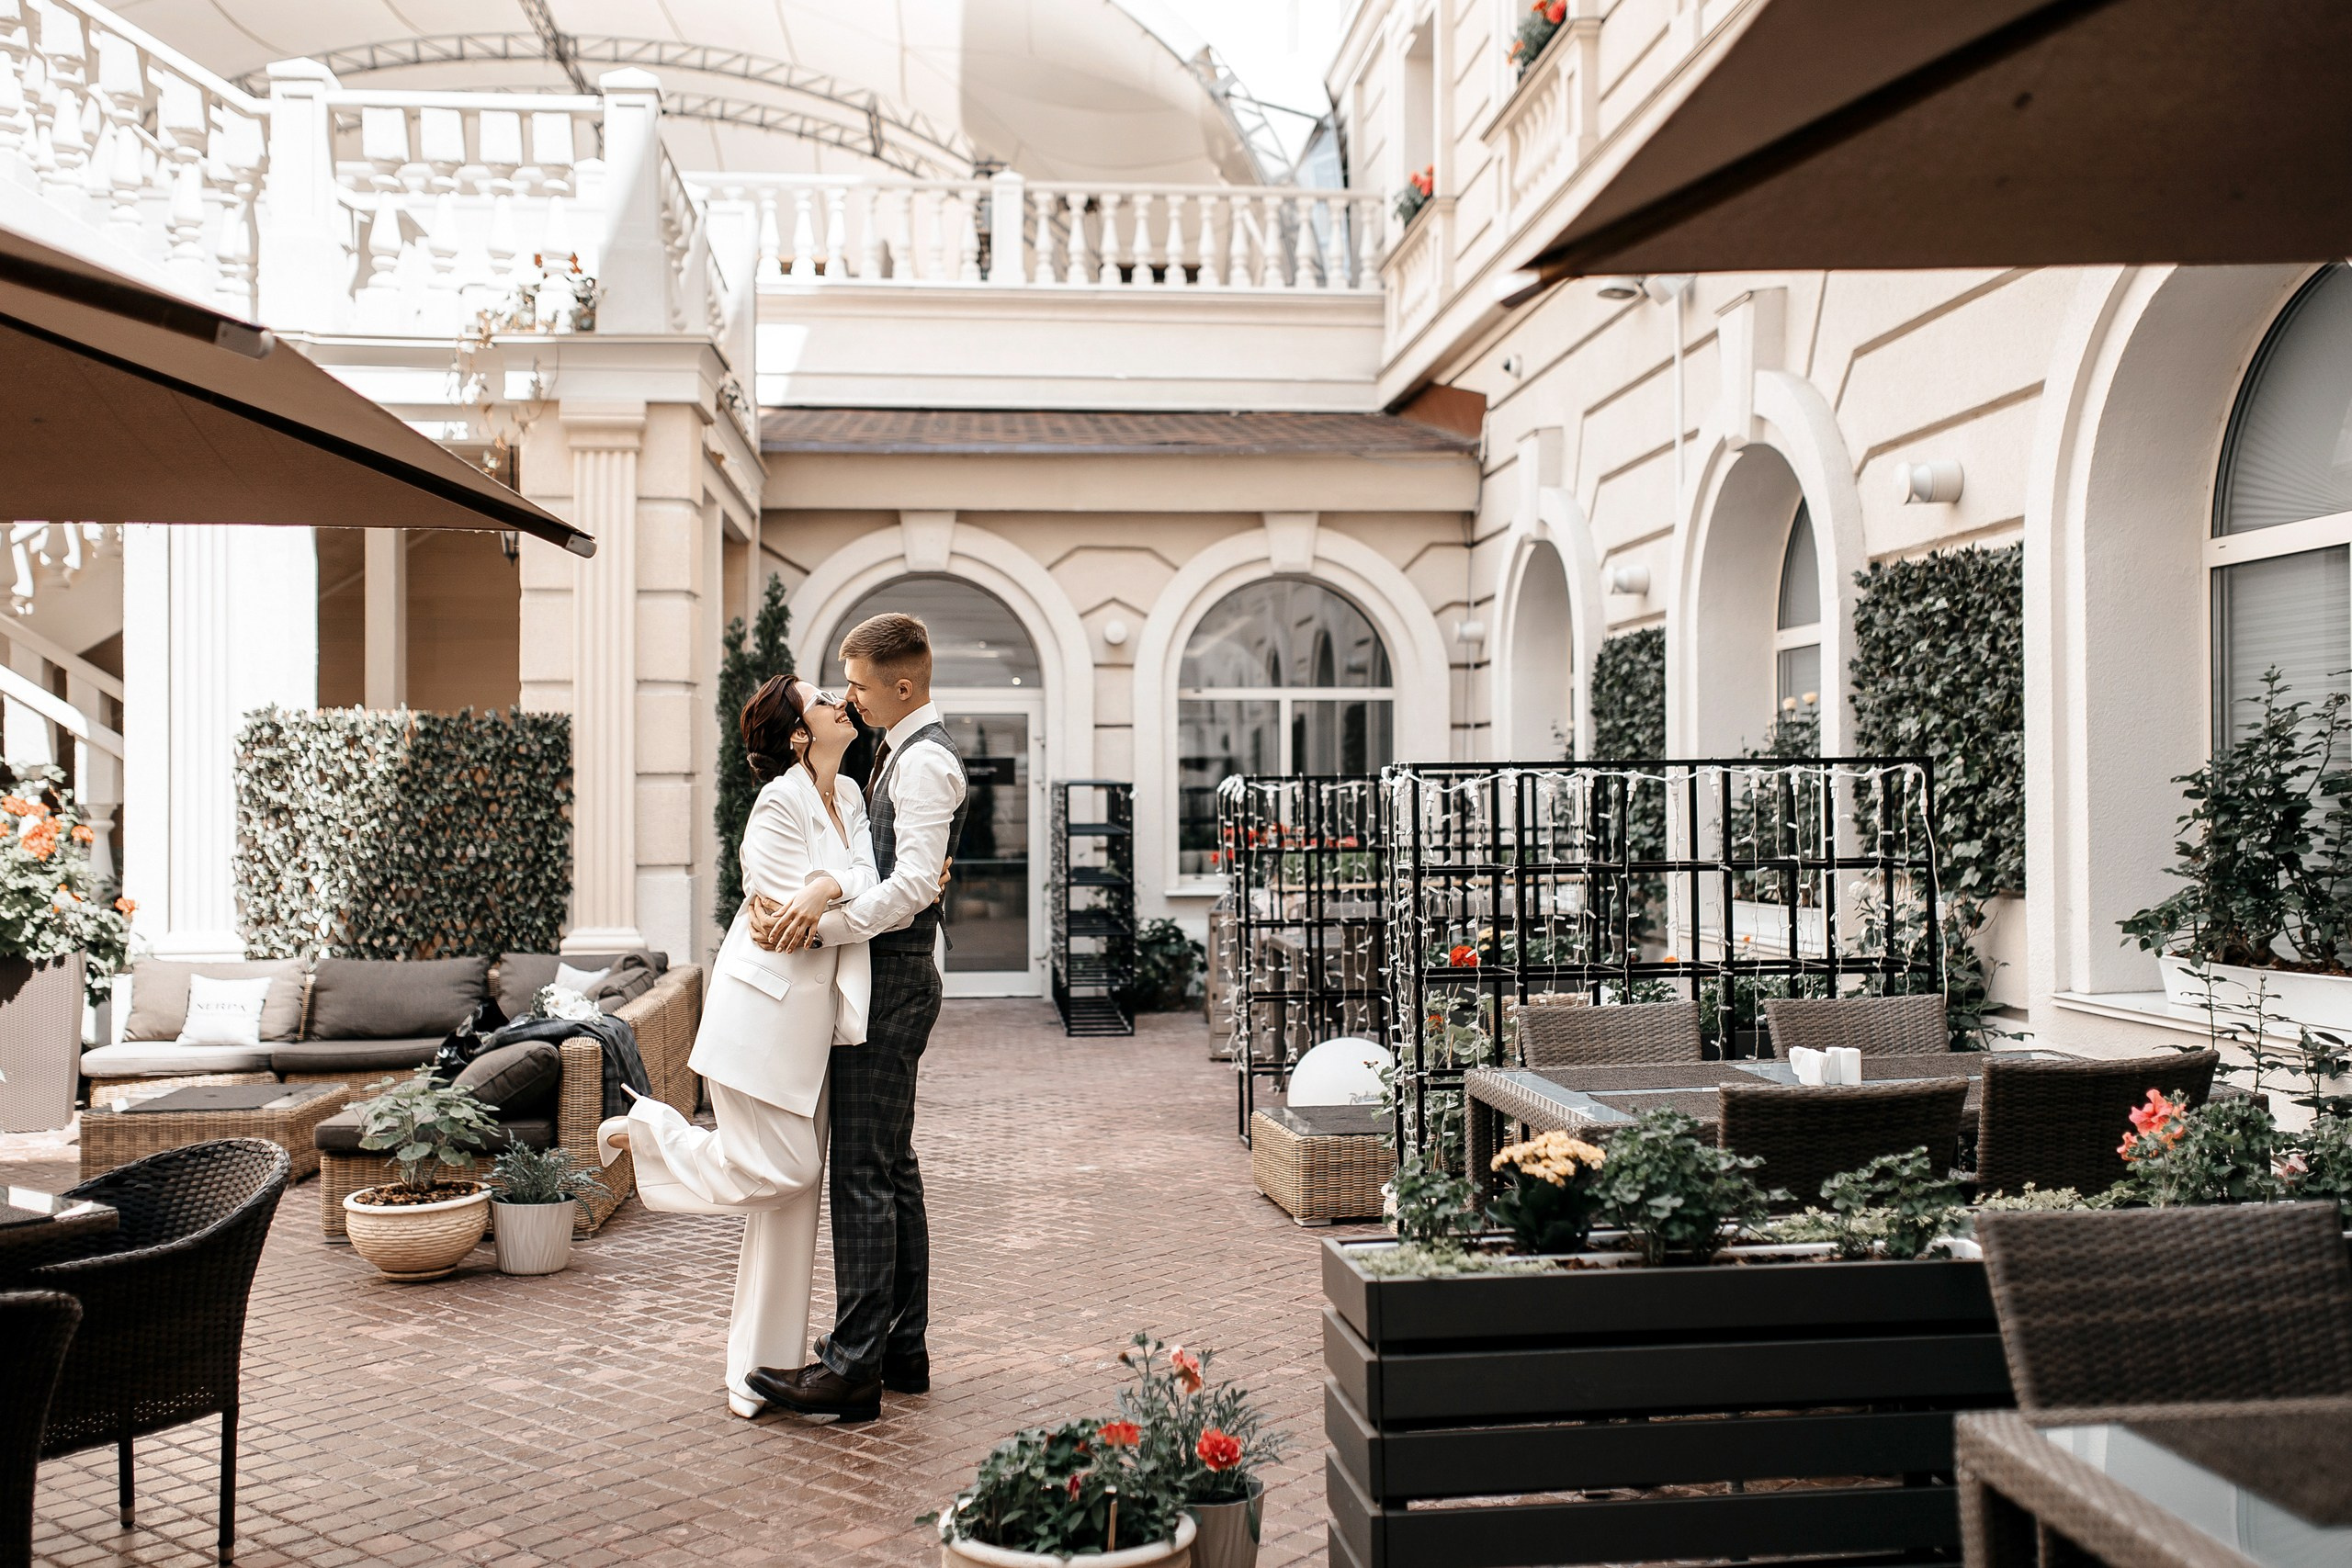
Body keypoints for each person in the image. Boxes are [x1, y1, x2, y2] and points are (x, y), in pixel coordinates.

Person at [596, 674, 875, 1421]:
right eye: (822, 698)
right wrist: (825, 896)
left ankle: (761, 1371)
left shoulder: (848, 796)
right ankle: (649, 1131)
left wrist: (827, 890)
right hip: (760, 1019)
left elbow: (864, 883)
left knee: (789, 1207)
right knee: (786, 1170)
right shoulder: (776, 803)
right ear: (797, 735)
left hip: (812, 1031)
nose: (838, 702)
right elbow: (790, 919)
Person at [749, 612, 967, 1424]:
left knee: (864, 1176)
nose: (850, 696)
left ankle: (852, 1368)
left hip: (895, 982)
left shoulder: (922, 763)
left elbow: (912, 887)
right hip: (894, 978)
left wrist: (821, 922)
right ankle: (899, 1349)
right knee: (891, 1168)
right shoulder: (896, 755)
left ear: (901, 686)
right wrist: (825, 896)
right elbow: (898, 872)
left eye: (860, 684)